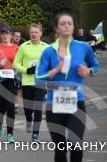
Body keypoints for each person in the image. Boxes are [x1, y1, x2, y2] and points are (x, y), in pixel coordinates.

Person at [36, 12, 99, 162]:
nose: (66, 26)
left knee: (75, 144)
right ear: (57, 29)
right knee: (60, 147)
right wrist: (55, 70)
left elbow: (95, 66)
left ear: (73, 27)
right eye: (63, 23)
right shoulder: (49, 51)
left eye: (69, 23)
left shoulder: (83, 47)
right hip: (54, 104)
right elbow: (38, 79)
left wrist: (88, 71)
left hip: (76, 102)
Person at [12, 23, 48, 143]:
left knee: (38, 108)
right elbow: (15, 63)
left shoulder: (46, 47)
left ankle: (35, 135)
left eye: (36, 32)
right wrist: (26, 70)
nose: (33, 34)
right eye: (32, 32)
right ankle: (28, 120)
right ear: (29, 33)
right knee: (28, 109)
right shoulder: (23, 46)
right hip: (27, 82)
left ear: (40, 34)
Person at [12, 31, 24, 114]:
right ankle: (9, 104)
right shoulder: (8, 46)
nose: (17, 38)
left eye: (18, 36)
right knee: (10, 87)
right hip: (9, 69)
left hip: (18, 70)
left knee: (18, 88)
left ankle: (16, 106)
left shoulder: (21, 48)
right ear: (12, 36)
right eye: (16, 36)